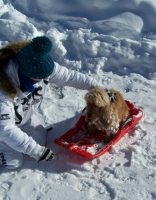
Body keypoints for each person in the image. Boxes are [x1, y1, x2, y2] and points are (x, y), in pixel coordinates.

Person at [0, 36, 101, 169]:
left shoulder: (40, 67)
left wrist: (97, 88)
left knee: (40, 142)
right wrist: (35, 151)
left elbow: (69, 76)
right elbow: (5, 129)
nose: (47, 77)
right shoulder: (2, 93)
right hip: (2, 127)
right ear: (27, 73)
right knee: (13, 163)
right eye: (42, 76)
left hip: (23, 117)